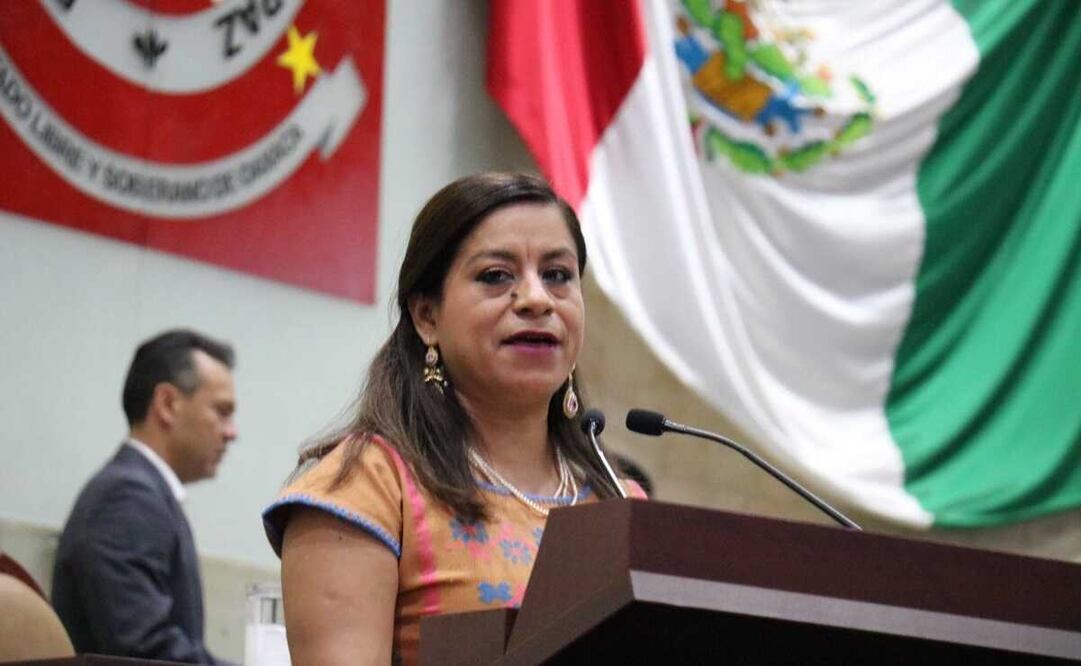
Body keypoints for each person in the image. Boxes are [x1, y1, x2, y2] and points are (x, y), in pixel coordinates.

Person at [263, 172, 646, 665]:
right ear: (427, 317)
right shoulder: (363, 488)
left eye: (557, 275)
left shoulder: (623, 504)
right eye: (495, 276)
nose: (537, 299)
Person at [52, 329, 237, 664]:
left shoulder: (143, 493)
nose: (231, 432)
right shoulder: (127, 499)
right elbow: (146, 650)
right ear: (167, 404)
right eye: (222, 412)